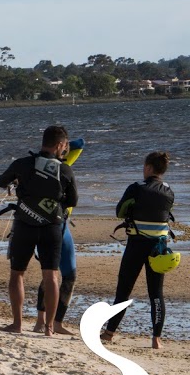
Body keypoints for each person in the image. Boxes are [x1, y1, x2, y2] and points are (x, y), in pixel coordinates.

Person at [0, 125, 78, 336]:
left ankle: (17, 324)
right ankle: (49, 327)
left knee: (17, 274)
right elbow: (73, 200)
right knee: (51, 275)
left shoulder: (23, 163)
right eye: (65, 146)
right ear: (60, 145)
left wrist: (18, 180)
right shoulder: (65, 169)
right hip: (52, 226)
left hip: (25, 224)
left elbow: (0, 181)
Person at [102, 151, 177, 350]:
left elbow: (120, 212)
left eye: (145, 166)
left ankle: (109, 333)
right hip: (159, 248)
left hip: (136, 245)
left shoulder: (136, 188)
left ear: (149, 168)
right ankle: (156, 339)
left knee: (123, 292)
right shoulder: (169, 191)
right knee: (156, 293)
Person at [34, 137, 86, 335]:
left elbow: (80, 143)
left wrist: (61, 147)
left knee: (61, 275)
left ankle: (50, 322)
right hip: (53, 225)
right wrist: (61, 147)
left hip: (59, 225)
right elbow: (80, 144)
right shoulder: (55, 166)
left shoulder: (55, 165)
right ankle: (46, 321)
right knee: (57, 274)